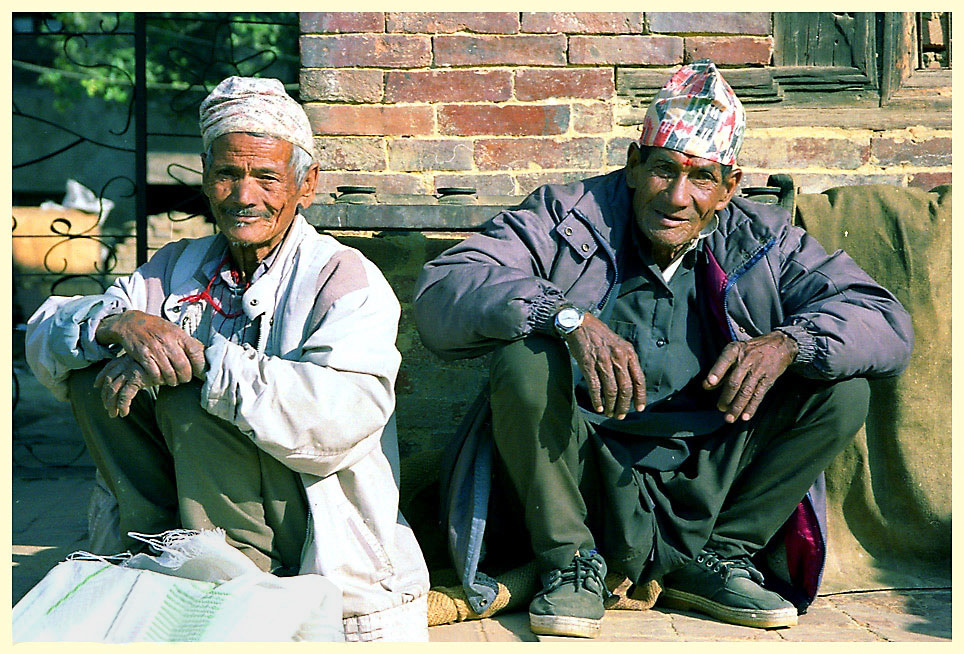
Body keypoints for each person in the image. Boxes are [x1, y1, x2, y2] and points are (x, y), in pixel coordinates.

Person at [412, 60, 913, 638]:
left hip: (711, 472)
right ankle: (568, 562)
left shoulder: (767, 240)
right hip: (582, 467)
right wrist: (564, 316)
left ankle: (719, 558)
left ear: (730, 187)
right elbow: (445, 289)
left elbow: (884, 321)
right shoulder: (569, 216)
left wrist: (790, 342)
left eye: (701, 178)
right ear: (632, 166)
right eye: (663, 170)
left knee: (842, 389)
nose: (677, 197)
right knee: (523, 358)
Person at [26, 76, 429, 641]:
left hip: (302, 523)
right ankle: (162, 554)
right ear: (206, 177)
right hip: (180, 508)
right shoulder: (174, 267)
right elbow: (43, 337)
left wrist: (203, 361)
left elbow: (343, 420)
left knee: (187, 387)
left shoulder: (344, 277)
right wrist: (117, 323)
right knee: (96, 364)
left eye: (266, 177)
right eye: (227, 175)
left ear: (305, 184)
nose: (245, 196)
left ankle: (236, 574)